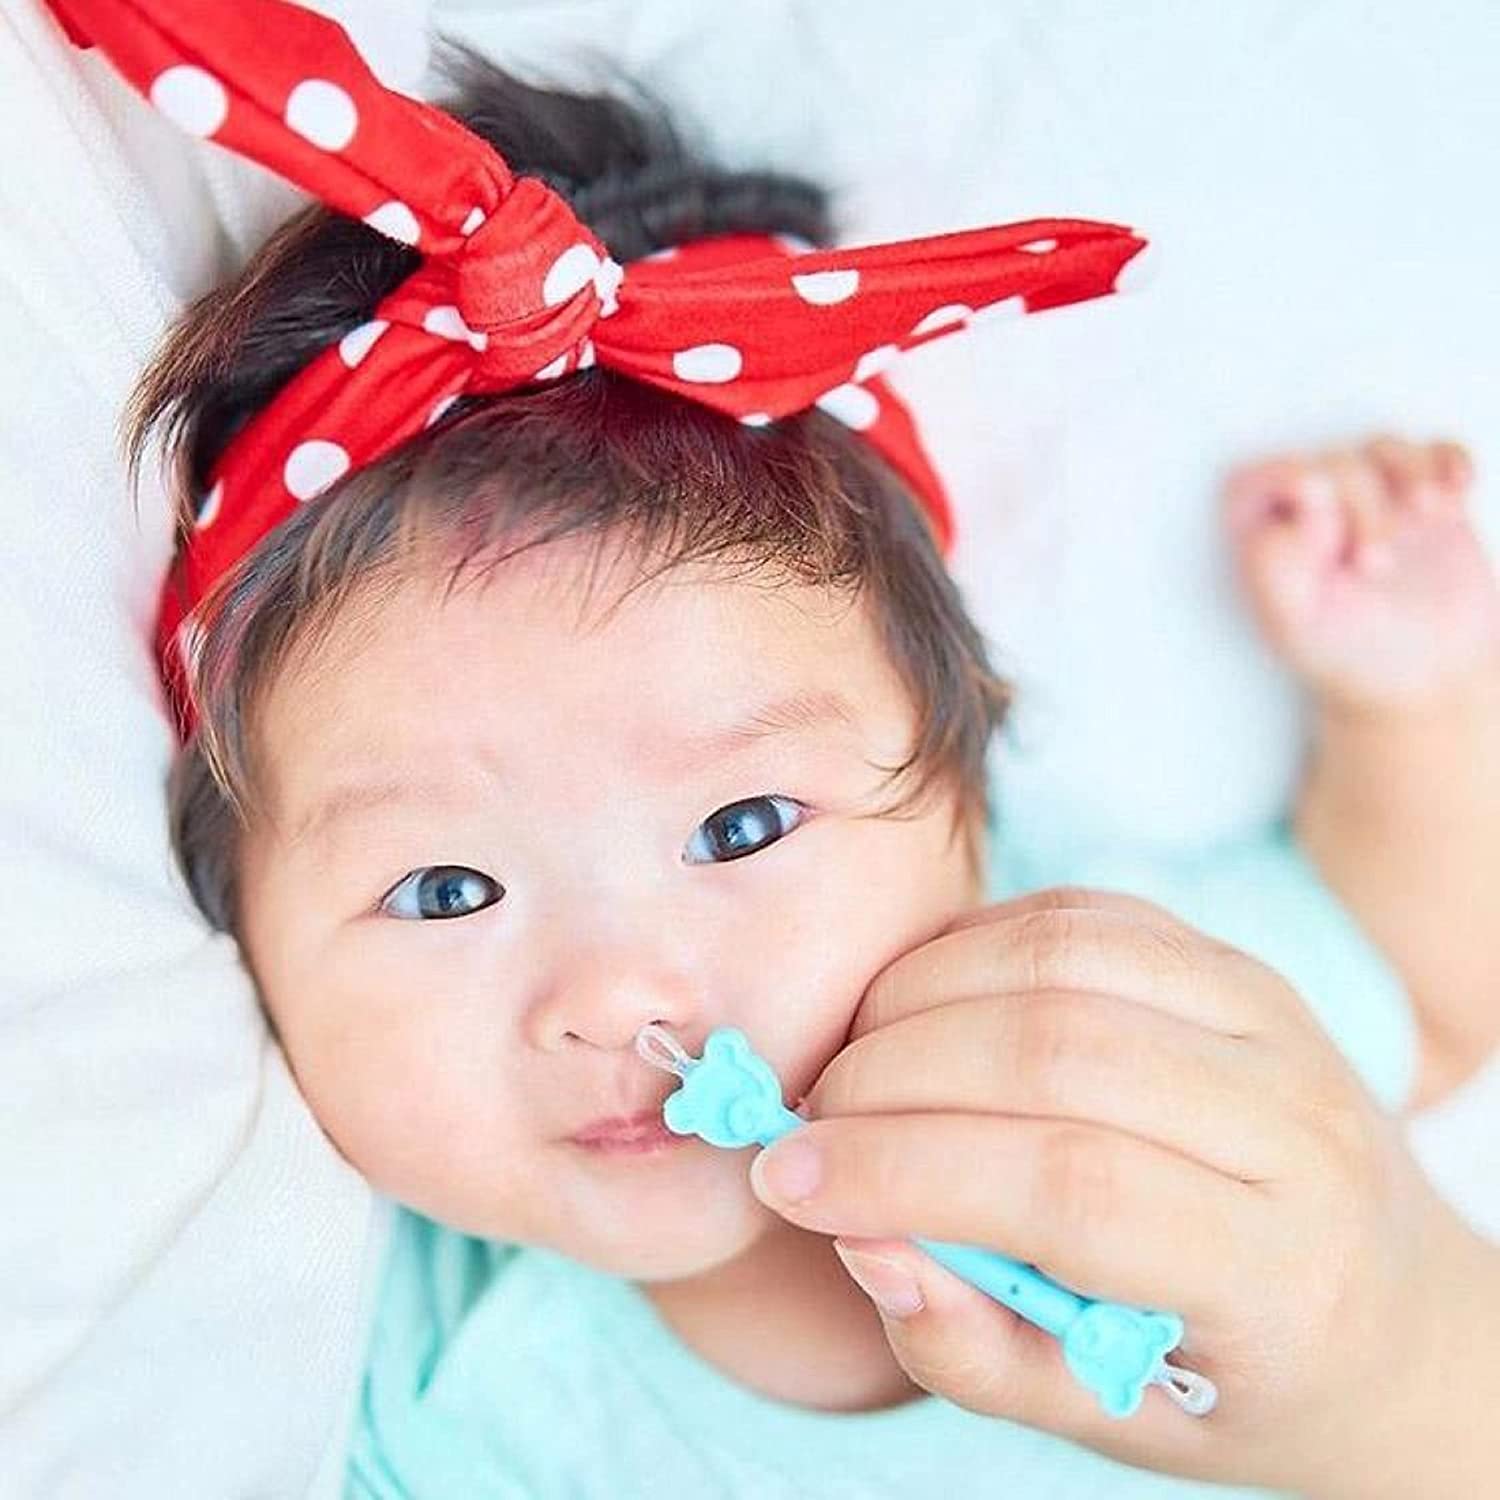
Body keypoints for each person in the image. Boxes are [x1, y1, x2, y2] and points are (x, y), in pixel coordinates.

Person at [86, 2, 1495, 1495]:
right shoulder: (409, 1400)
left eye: (744, 826)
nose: (617, 995)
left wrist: (1420, 700)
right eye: (445, 892)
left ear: (967, 799)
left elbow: (1424, 992)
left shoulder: (1086, 1016)